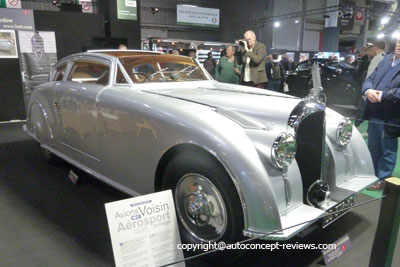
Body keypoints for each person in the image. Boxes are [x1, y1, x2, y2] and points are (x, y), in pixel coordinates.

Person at [361, 37, 400, 190]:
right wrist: (368, 90)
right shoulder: (386, 60)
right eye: (399, 42)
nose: (399, 46)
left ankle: (382, 180)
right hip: (374, 113)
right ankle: (372, 176)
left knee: (387, 150)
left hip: (390, 115)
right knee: (373, 147)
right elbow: (370, 79)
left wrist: (384, 95)